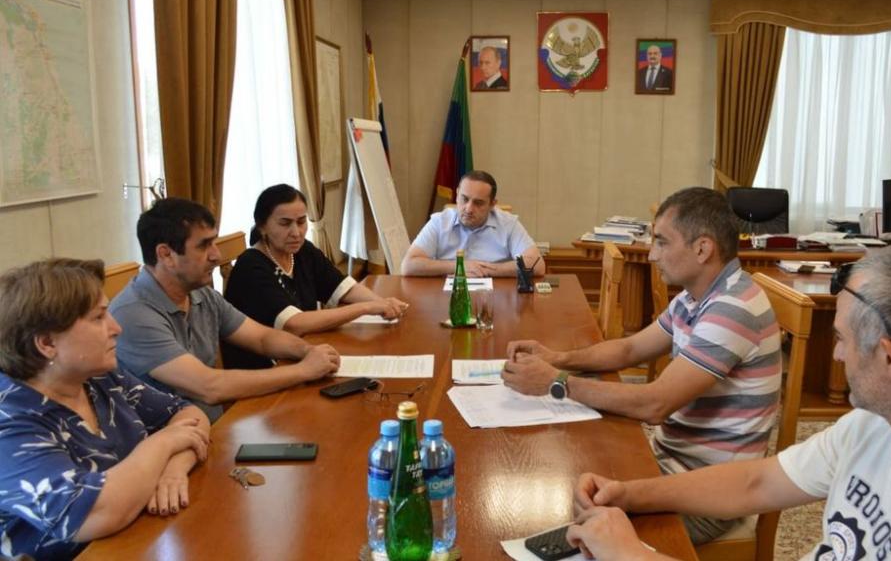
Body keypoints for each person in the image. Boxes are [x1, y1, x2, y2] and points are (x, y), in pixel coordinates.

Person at [566, 245, 891, 560]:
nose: (837, 355)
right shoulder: (877, 424)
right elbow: (757, 483)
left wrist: (630, 554)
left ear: (890, 358)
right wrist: (630, 494)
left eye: (841, 339)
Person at [503, 187, 780, 543]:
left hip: (708, 493)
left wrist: (557, 382)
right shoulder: (697, 297)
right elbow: (630, 348)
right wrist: (556, 358)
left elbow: (654, 404)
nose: (652, 255)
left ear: (702, 249)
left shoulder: (732, 308)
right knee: (563, 470)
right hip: (672, 463)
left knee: (561, 524)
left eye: (662, 242)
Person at [0, 259, 211, 560]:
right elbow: (95, 513)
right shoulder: (10, 422)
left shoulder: (97, 377)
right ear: (47, 343)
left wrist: (174, 470)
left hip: (143, 539)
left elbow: (188, 413)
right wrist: (163, 443)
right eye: (98, 318)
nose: (116, 328)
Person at [110, 198, 340, 423]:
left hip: (211, 430)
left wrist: (307, 351)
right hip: (169, 442)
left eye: (214, 243)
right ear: (166, 255)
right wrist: (304, 370)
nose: (216, 255)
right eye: (204, 245)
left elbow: (261, 338)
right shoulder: (133, 315)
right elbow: (210, 387)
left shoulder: (202, 294)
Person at [223, 184, 408, 369]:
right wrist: (366, 307)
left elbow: (342, 287)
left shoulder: (302, 251)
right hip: (266, 368)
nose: (296, 233)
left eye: (301, 222)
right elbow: (294, 324)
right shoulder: (251, 266)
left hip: (303, 352)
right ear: (262, 226)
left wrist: (384, 304)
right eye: (285, 223)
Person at [401, 170, 546, 278]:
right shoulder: (439, 222)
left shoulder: (508, 224)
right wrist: (459, 267)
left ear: (492, 204)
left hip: (494, 299)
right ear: (457, 195)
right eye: (464, 199)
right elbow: (408, 265)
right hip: (448, 297)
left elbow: (537, 264)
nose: (469, 209)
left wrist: (485, 270)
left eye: (478, 203)